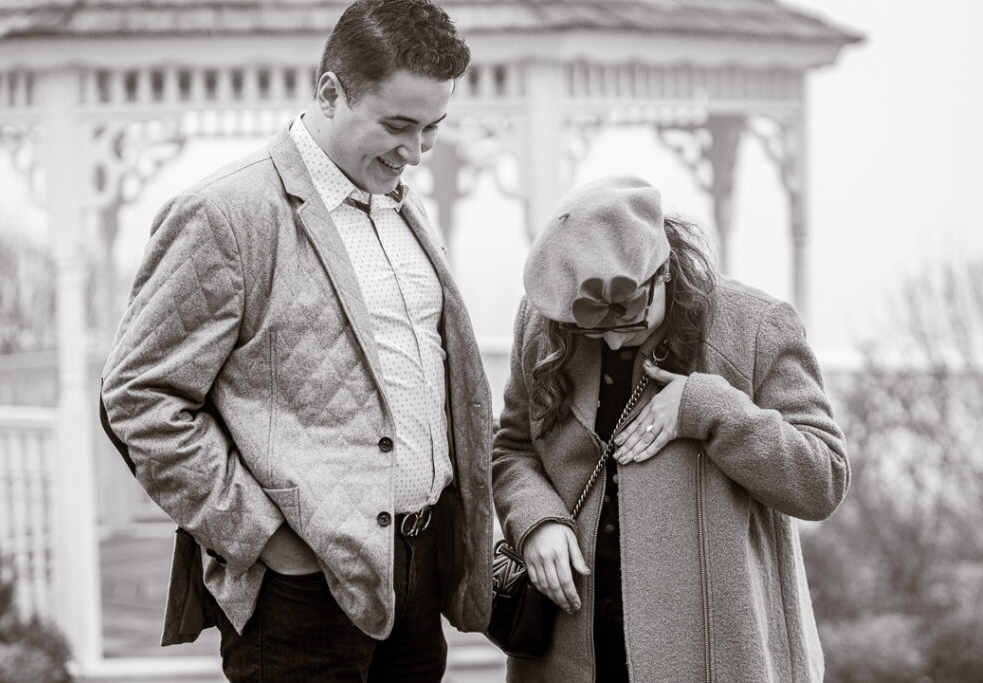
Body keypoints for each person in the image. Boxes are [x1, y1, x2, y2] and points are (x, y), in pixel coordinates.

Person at [99, 1, 494, 679]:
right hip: (301, 592)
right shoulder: (226, 213)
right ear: (330, 92)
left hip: (418, 575)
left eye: (432, 129)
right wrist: (266, 537)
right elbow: (138, 397)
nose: (414, 152)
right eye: (397, 125)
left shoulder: (401, 203)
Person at [492, 175, 849, 682]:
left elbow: (823, 480)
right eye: (593, 329)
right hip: (567, 653)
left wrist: (709, 407)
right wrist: (535, 520)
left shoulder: (757, 326)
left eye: (630, 321)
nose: (614, 343)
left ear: (664, 271)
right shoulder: (542, 320)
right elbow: (510, 448)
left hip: (720, 656)